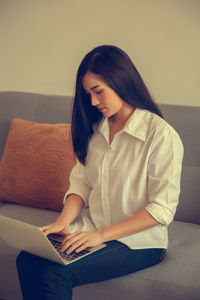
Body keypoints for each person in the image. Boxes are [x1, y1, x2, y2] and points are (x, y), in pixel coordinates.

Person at [16, 45, 184, 300]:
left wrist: (99, 236)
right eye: (88, 94)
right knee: (28, 258)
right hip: (94, 227)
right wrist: (63, 222)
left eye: (98, 91)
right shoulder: (95, 129)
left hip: (138, 242)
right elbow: (81, 184)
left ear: (121, 81)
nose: (93, 102)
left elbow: (162, 209)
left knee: (55, 273)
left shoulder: (161, 136)